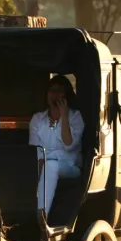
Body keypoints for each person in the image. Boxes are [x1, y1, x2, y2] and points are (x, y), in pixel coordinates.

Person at [29, 74, 85, 216]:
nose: (55, 95)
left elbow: (69, 144)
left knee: (51, 165)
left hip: (69, 165)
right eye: (52, 90)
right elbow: (35, 149)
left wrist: (64, 116)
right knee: (44, 166)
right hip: (42, 164)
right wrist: (40, 164)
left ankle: (42, 215)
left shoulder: (76, 117)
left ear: (66, 94)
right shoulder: (37, 119)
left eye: (59, 90)